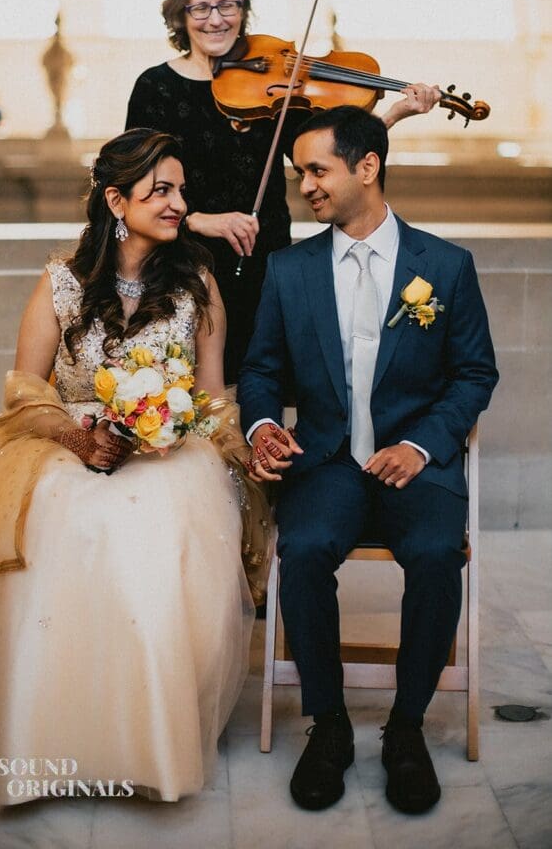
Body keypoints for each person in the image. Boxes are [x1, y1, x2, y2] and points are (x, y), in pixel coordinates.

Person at [0, 128, 258, 807]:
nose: (177, 205)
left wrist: (230, 445)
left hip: (168, 453)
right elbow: (25, 388)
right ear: (115, 199)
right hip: (64, 445)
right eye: (159, 190)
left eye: (180, 190)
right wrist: (81, 439)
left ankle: (143, 746)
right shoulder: (63, 280)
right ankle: (34, 742)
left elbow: (214, 398)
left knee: (155, 537)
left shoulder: (197, 282)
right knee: (52, 530)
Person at [238, 106, 498, 815]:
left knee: (436, 552)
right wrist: (262, 425)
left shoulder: (442, 266)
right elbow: (260, 371)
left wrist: (420, 446)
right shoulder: (288, 271)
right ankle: (326, 727)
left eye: (317, 170)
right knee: (307, 546)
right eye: (300, 174)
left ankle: (405, 729)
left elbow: (473, 374)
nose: (306, 186)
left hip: (416, 462)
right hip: (324, 460)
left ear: (366, 167)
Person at [126, 0, 441, 382]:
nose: (215, 19)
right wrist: (201, 220)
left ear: (242, 9)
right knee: (189, 387)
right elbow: (137, 186)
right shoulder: (155, 88)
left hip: (263, 253)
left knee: (261, 382)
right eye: (200, 8)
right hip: (181, 258)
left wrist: (396, 112)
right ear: (180, 17)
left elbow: (330, 156)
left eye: (227, 6)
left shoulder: (276, 84)